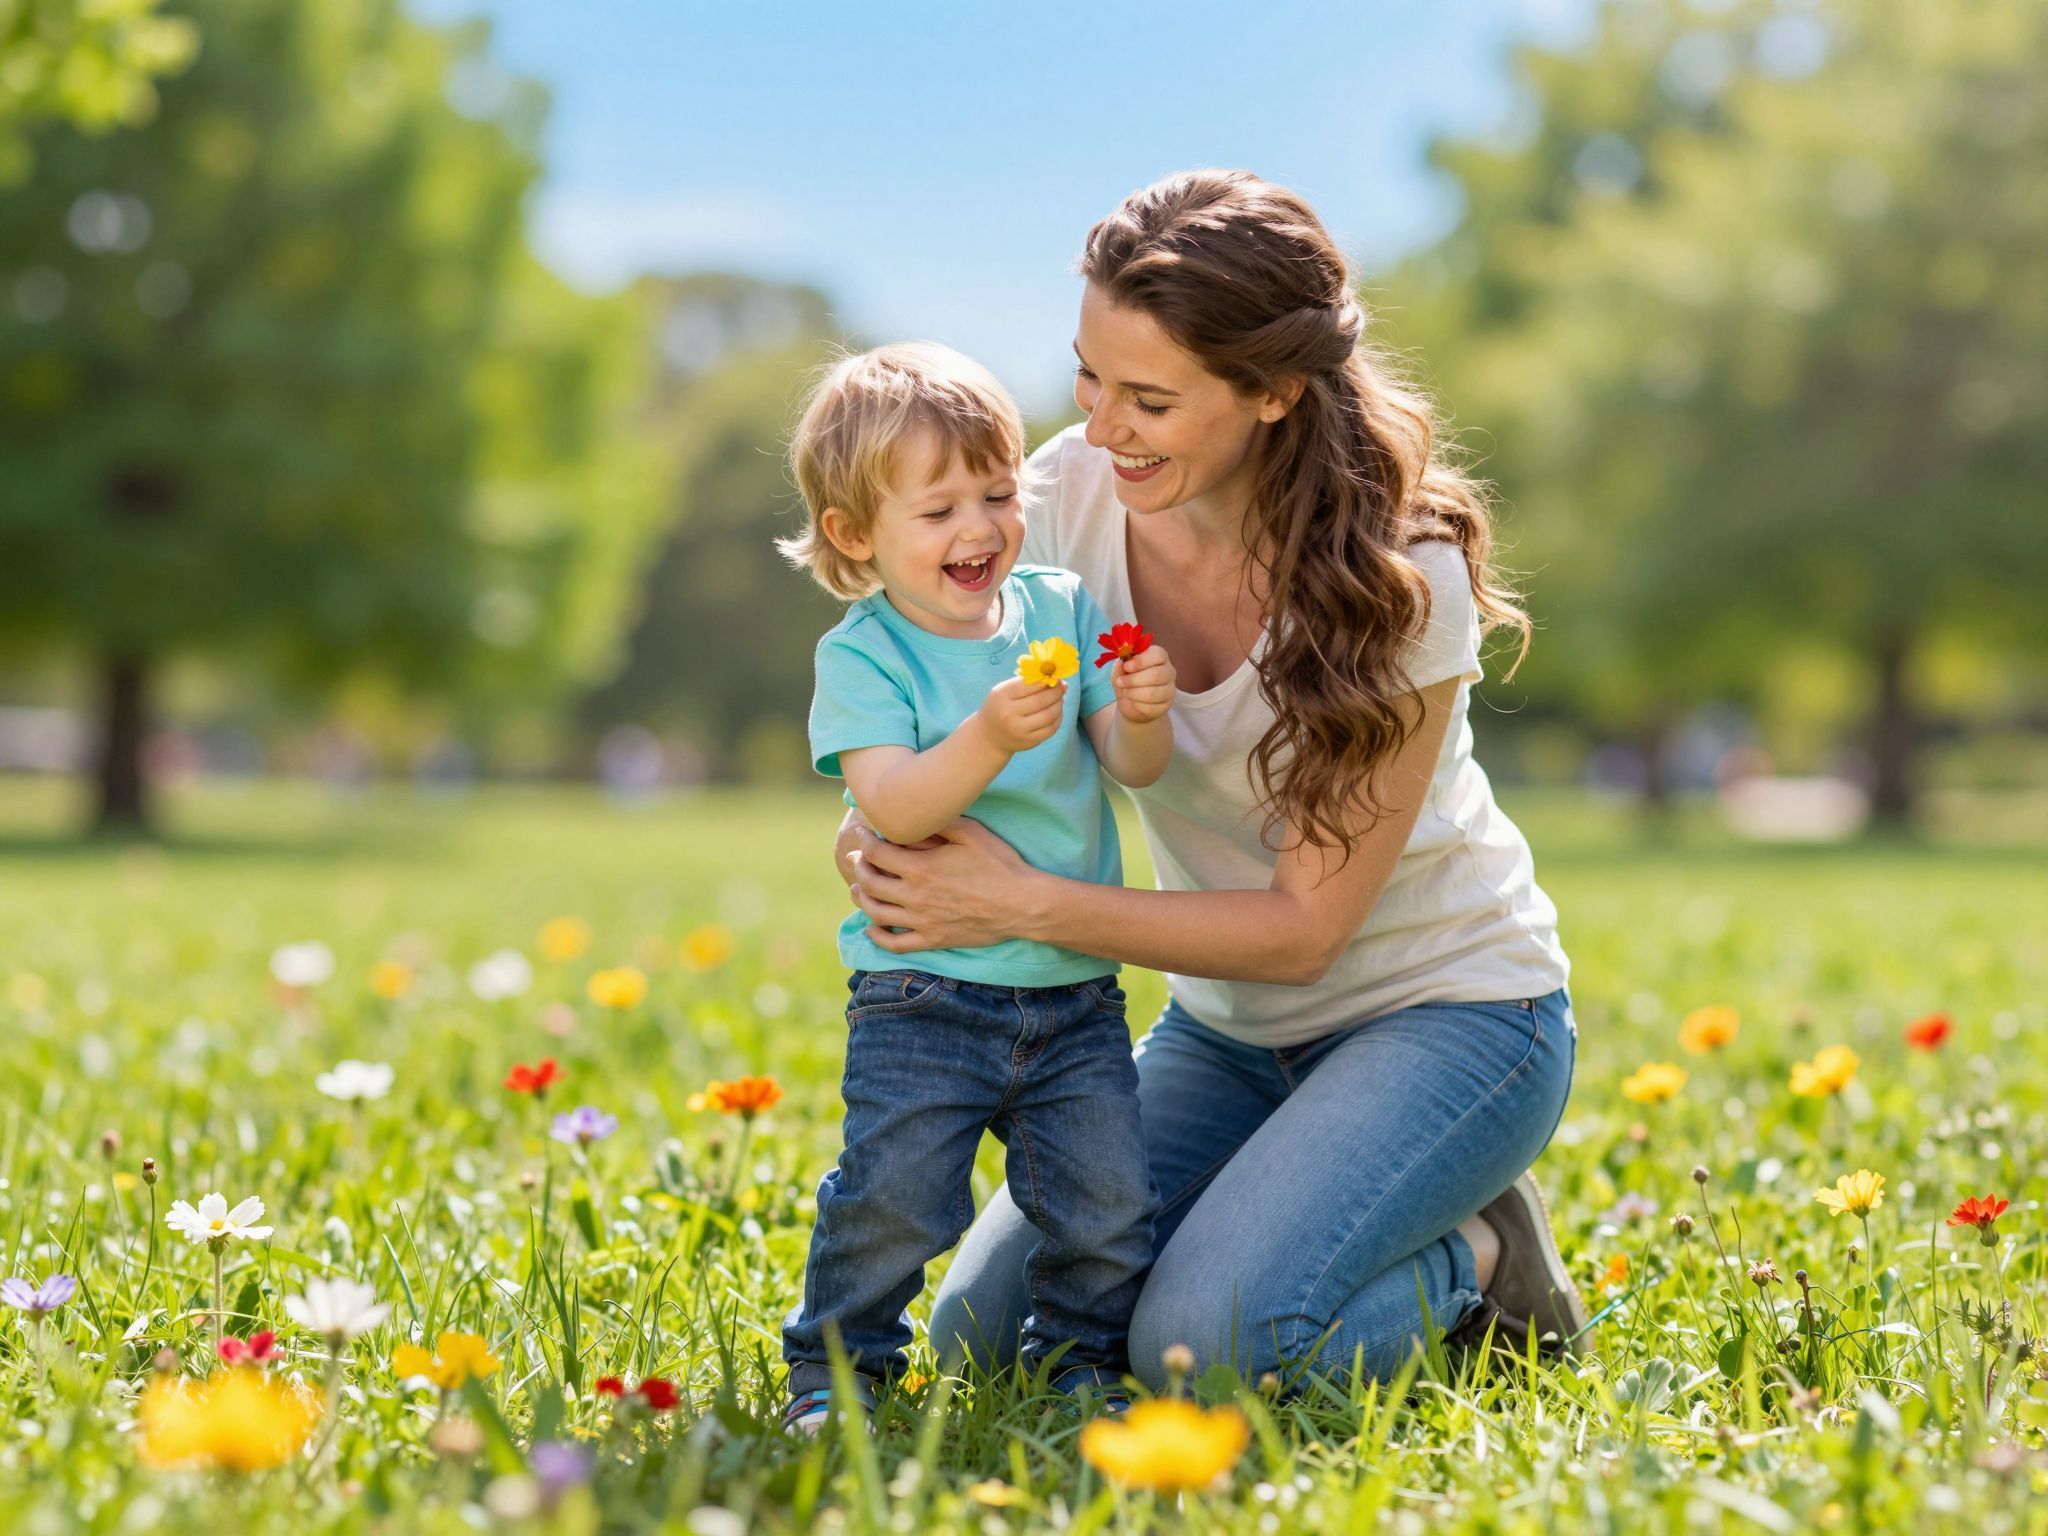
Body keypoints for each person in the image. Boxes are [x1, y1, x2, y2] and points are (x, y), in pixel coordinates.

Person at [834, 171, 1588, 1391]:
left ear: (1273, 392)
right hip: (1227, 1032)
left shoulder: (1404, 576)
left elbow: (1302, 932)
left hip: (1447, 1015)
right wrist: (882, 834)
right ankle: (1295, 1207)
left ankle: (1476, 1252)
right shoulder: (1059, 504)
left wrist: (1018, 904)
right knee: (986, 1339)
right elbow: (923, 682)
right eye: (1087, 377)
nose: (1100, 424)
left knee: (1203, 1350)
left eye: (1149, 398)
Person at [775, 342, 1178, 1430]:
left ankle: (1078, 1364)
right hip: (924, 993)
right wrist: (989, 733)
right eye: (939, 508)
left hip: (1071, 994)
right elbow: (895, 807)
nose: (979, 529)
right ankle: (838, 1369)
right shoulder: (864, 656)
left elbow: (1128, 770)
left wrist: (1140, 708)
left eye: (997, 494)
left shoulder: (1059, 608)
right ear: (855, 535)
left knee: (1104, 1203)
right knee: (895, 1198)